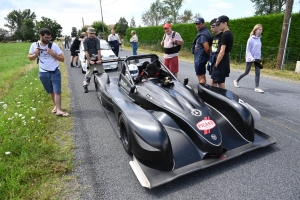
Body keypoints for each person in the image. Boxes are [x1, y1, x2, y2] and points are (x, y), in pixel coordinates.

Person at [27, 28, 68, 117]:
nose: (48, 39)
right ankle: (56, 107)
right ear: (40, 36)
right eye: (46, 37)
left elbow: (62, 59)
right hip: (43, 72)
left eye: (49, 37)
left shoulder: (54, 46)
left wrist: (53, 54)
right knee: (51, 91)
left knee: (57, 91)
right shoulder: (34, 45)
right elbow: (30, 58)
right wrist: (35, 54)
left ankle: (59, 110)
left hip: (55, 71)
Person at [234, 24, 264, 93]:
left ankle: (257, 87)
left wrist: (259, 57)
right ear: (255, 30)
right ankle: (236, 80)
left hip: (257, 58)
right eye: (259, 29)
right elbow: (248, 50)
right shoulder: (250, 39)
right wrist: (251, 58)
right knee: (246, 72)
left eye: (261, 29)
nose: (261, 31)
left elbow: (258, 50)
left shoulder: (259, 39)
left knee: (258, 73)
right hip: (250, 58)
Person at [212, 15, 234, 89]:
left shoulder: (225, 35)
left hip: (221, 60)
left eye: (219, 24)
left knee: (215, 81)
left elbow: (222, 51)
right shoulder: (229, 34)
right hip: (225, 59)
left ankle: (217, 98)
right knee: (219, 81)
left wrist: (216, 64)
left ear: (225, 23)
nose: (218, 26)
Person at [82, 27, 104, 93]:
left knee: (102, 72)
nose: (92, 35)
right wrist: (89, 60)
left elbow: (99, 50)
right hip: (89, 57)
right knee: (88, 73)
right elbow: (86, 51)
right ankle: (85, 86)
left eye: (93, 33)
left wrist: (99, 59)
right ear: (87, 33)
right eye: (91, 33)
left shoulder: (97, 39)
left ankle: (104, 85)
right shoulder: (85, 40)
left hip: (97, 57)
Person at [191, 18, 211, 84]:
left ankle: (202, 91)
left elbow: (207, 48)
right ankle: (201, 90)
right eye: (196, 24)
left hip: (200, 59)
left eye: (199, 24)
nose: (197, 26)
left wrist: (209, 56)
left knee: (201, 76)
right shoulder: (202, 32)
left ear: (203, 24)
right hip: (199, 58)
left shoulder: (203, 34)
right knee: (199, 75)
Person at [208, 18, 223, 86]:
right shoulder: (213, 36)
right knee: (217, 81)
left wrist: (216, 64)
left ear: (218, 26)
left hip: (219, 61)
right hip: (213, 60)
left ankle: (217, 95)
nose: (211, 29)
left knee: (215, 81)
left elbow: (224, 51)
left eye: (213, 27)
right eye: (211, 27)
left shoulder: (223, 36)